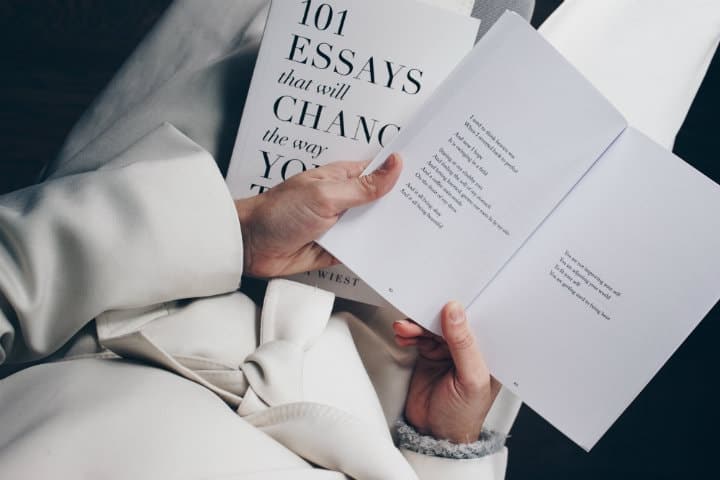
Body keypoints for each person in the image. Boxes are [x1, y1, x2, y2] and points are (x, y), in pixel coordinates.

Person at [1, 1, 718, 479]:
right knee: (640, 57)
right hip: (398, 380)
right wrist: (446, 442)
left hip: (150, 274)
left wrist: (232, 232)